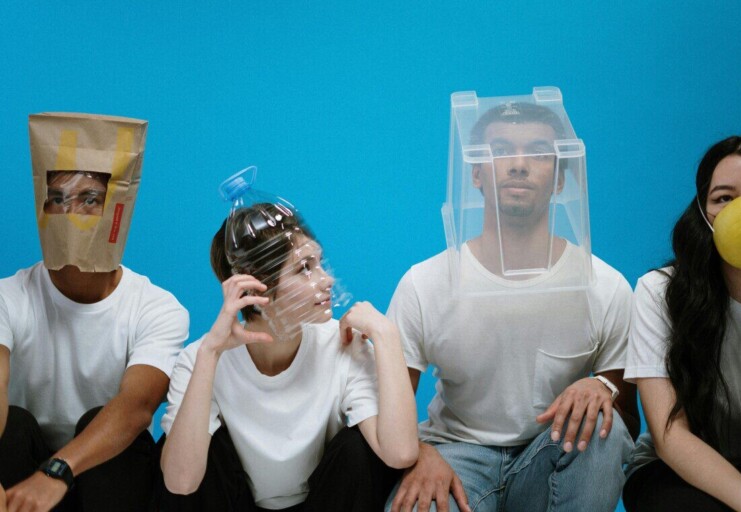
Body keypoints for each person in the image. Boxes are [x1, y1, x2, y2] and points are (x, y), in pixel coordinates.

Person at [386, 97, 639, 512]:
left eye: (539, 153)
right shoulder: (424, 283)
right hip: (456, 454)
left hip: (556, 450)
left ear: (559, 180)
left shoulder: (606, 286)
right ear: (476, 174)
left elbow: (627, 422)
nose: (518, 165)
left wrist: (602, 388)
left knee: (601, 427)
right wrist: (421, 452)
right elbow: (383, 411)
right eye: (500, 151)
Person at [159, 201, 419, 512]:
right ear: (257, 288)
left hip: (321, 502)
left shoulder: (342, 343)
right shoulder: (201, 358)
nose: (326, 281)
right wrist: (210, 353)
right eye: (304, 268)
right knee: (186, 439)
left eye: (320, 263)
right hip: (238, 502)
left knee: (359, 449)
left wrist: (386, 337)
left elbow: (400, 453)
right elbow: (180, 483)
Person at [0, 118, 189, 512]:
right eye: (58, 198)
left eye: (90, 199)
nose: (72, 214)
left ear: (116, 211)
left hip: (105, 475)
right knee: (14, 425)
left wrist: (57, 472)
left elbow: (138, 406)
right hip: (22, 477)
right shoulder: (9, 296)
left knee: (104, 422)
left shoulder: (157, 308)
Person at [622, 133, 741, 512]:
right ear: (703, 215)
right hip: (671, 467)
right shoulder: (658, 292)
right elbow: (669, 435)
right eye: (724, 198)